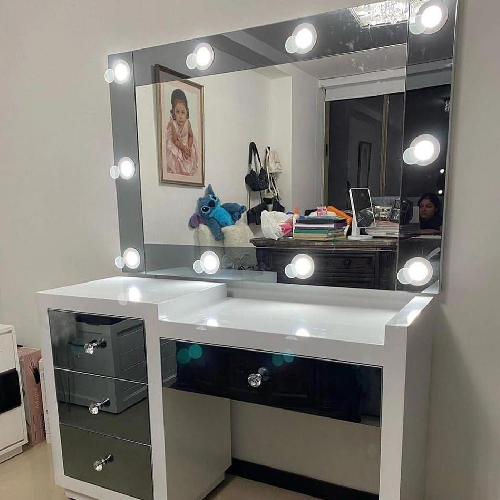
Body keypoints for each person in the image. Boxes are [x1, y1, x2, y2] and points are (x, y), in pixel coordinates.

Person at [165, 88, 198, 176]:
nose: (180, 116)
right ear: (174, 112)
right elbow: (175, 140)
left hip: (186, 143)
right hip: (177, 143)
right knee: (176, 154)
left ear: (187, 112)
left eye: (183, 112)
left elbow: (190, 136)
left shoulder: (187, 123)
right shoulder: (173, 125)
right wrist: (183, 148)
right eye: (177, 112)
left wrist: (189, 147)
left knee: (192, 151)